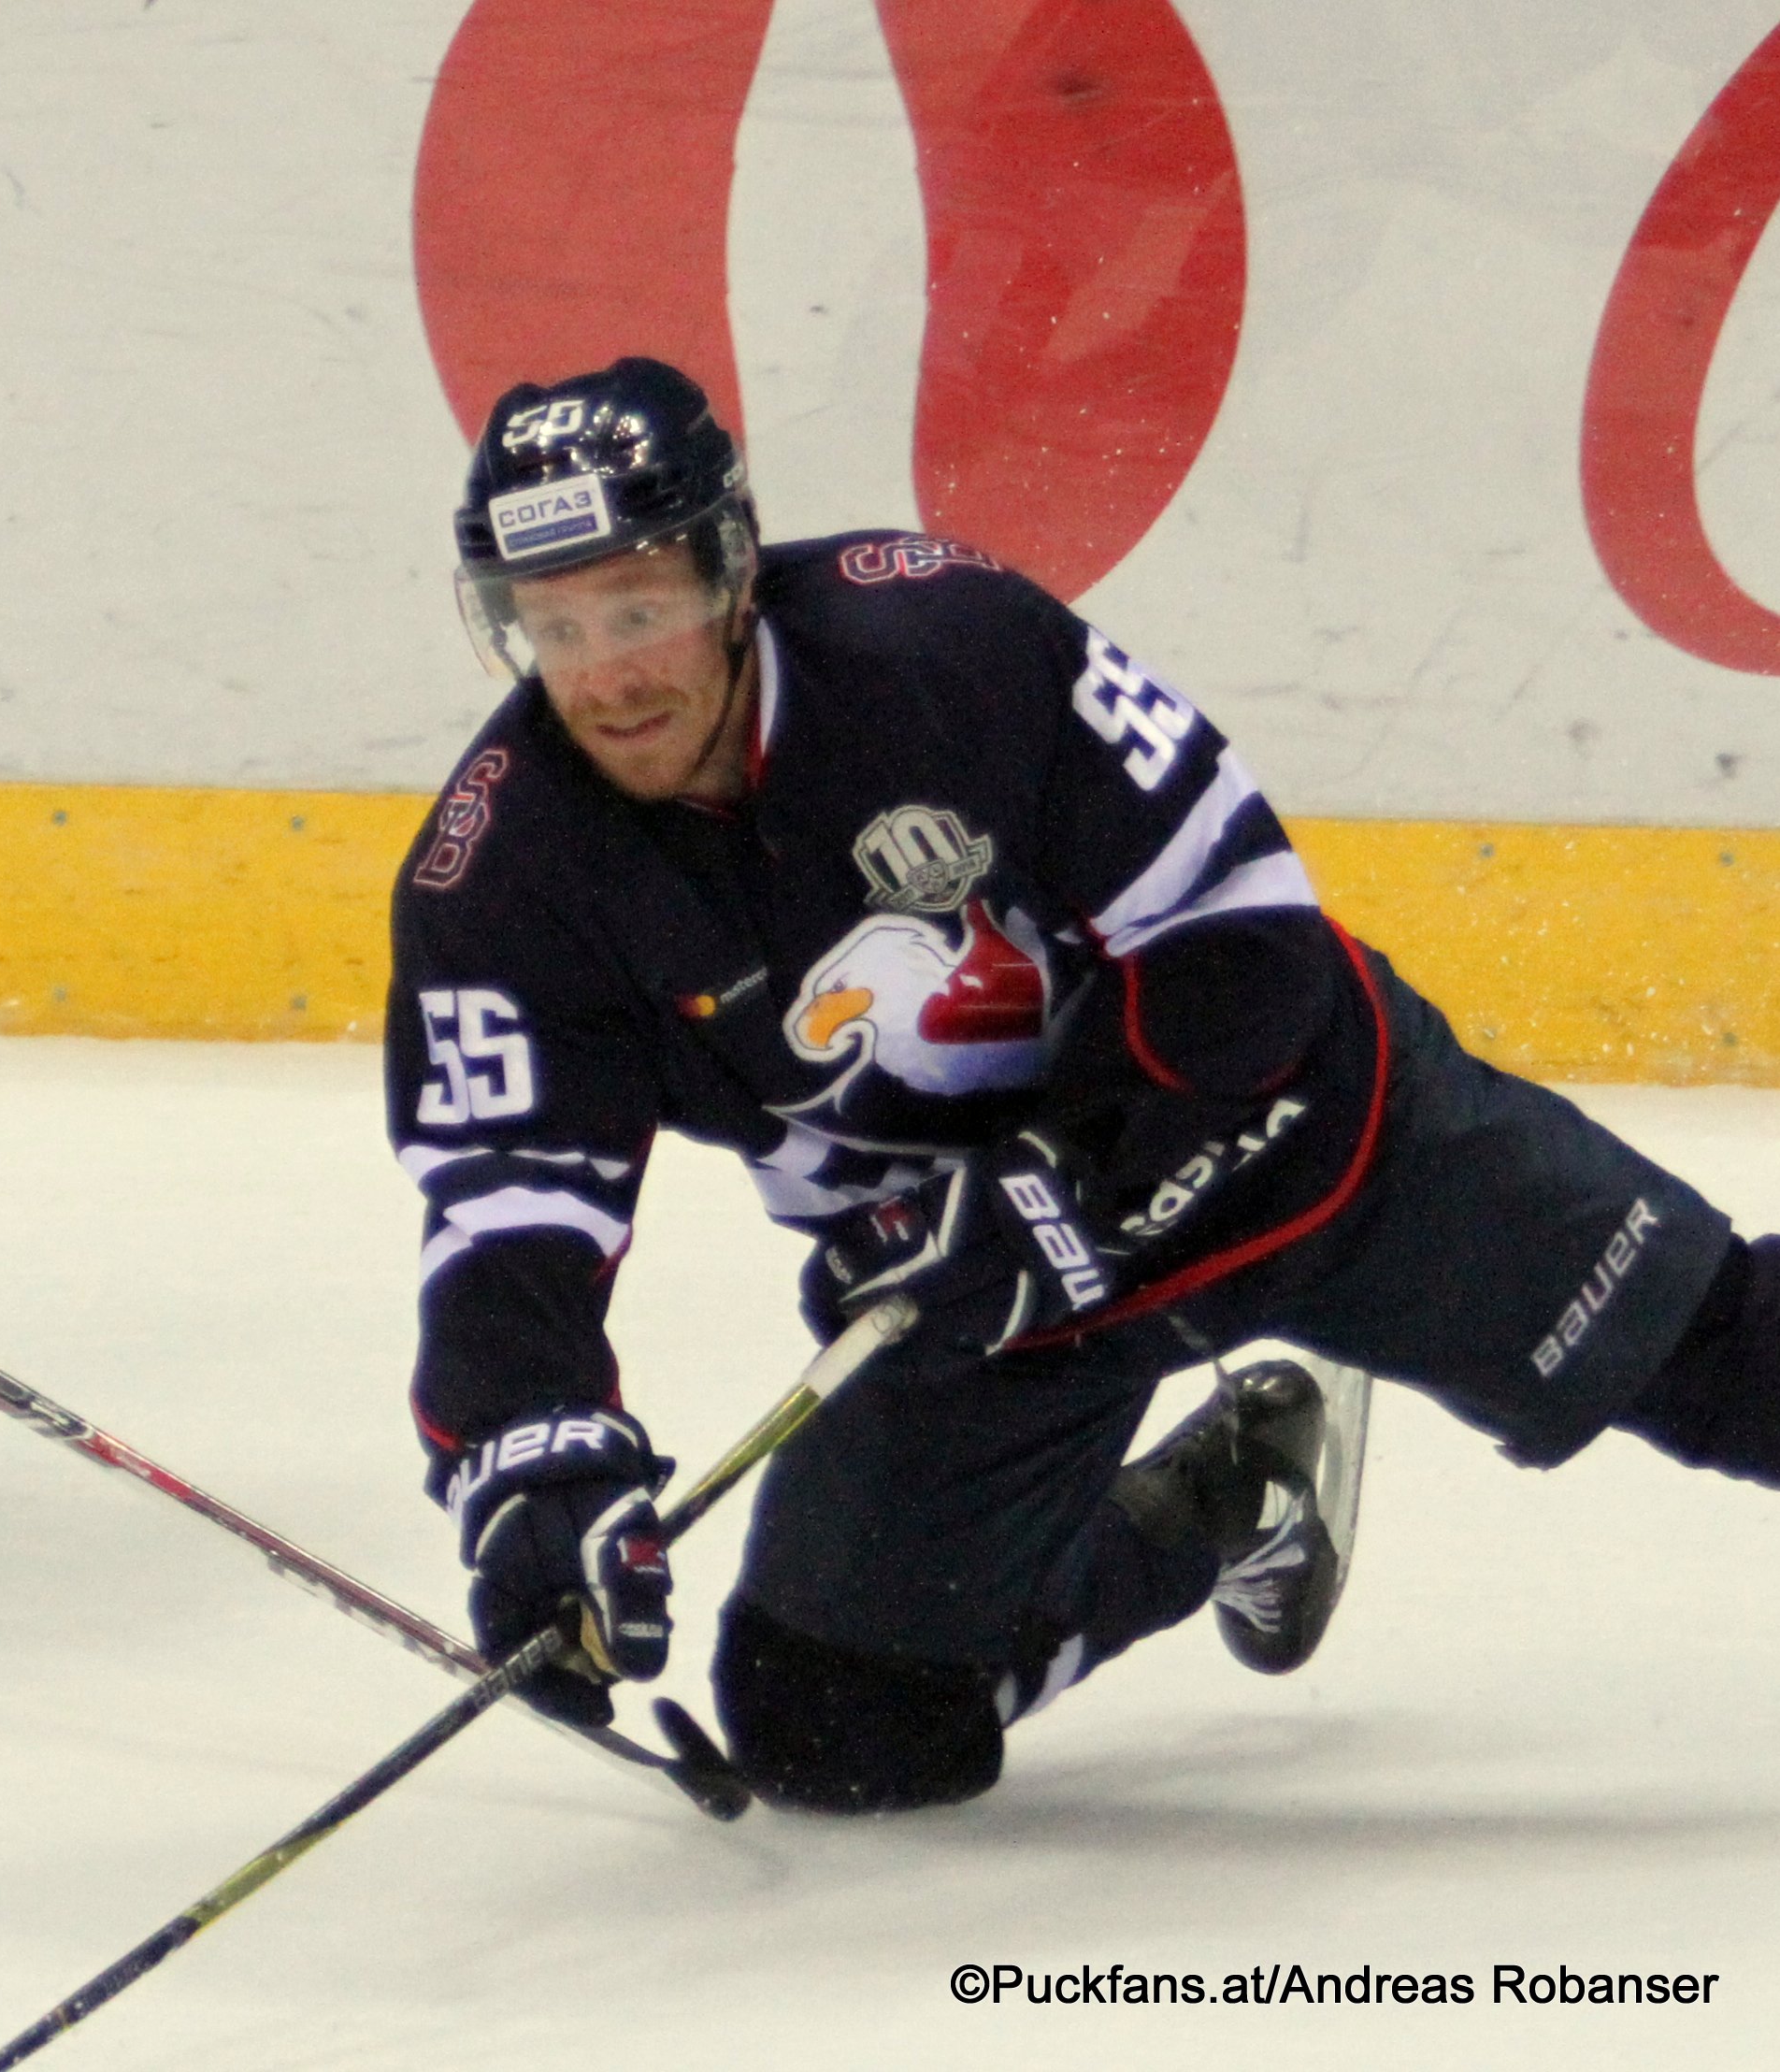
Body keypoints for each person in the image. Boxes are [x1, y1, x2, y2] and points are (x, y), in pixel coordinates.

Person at [387, 355, 1780, 1811]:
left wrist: (1062, 1180)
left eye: (640, 608)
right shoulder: (501, 878)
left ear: (731, 570)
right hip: (992, 1310)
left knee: (1727, 1362)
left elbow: (1243, 944)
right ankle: (1227, 1495)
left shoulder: (944, 644)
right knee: (830, 1728)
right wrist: (531, 1465)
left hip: (1304, 1152)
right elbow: (509, 1199)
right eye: (550, 625)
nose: (604, 674)